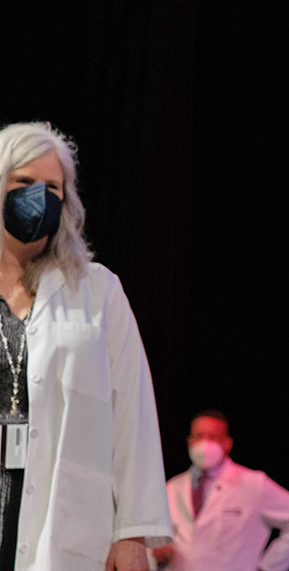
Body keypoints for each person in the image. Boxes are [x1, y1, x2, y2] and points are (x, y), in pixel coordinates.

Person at [0, 121, 171, 571]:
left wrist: (133, 532)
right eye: (23, 182)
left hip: (65, 521)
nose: (38, 196)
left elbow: (132, 411)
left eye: (51, 186)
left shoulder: (97, 289)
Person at [150, 410, 289, 571]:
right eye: (199, 436)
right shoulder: (172, 488)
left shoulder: (253, 484)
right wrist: (157, 553)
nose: (205, 444)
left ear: (227, 444)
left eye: (213, 437)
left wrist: (267, 567)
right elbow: (155, 542)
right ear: (189, 441)